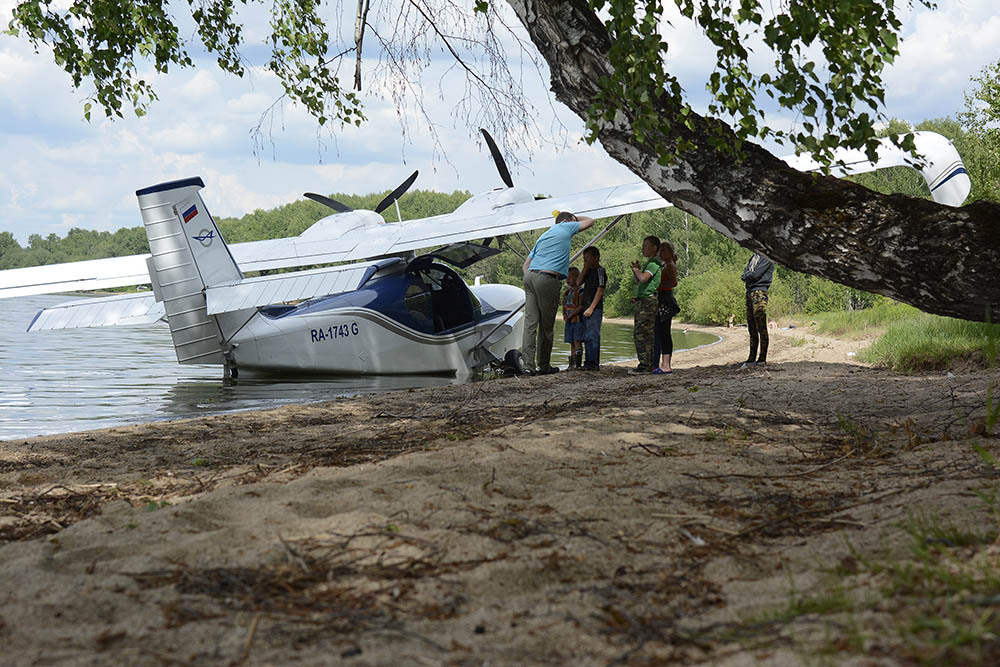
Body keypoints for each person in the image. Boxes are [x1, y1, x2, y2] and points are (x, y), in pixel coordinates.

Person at [521, 211, 594, 374]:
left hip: (530, 277)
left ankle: (527, 367)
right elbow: (590, 221)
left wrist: (530, 275)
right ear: (567, 221)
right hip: (547, 279)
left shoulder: (544, 236)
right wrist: (575, 217)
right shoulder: (566, 226)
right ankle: (544, 365)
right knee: (546, 326)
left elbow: (526, 264)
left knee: (530, 325)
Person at [629, 235, 662, 374]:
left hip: (648, 302)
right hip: (644, 300)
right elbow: (641, 283)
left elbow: (643, 278)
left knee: (642, 334)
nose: (643, 248)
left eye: (646, 246)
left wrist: (637, 270)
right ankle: (648, 363)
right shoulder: (651, 263)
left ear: (654, 248)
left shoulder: (653, 263)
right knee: (645, 333)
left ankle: (645, 364)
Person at [740, 252, 774, 368]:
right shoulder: (754, 257)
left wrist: (746, 276)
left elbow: (755, 274)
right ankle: (751, 358)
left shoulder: (766, 257)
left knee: (761, 327)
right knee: (752, 328)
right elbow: (746, 272)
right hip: (750, 292)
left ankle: (762, 359)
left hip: (760, 292)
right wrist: (747, 275)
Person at [576, 246, 607, 370]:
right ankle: (587, 361)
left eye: (588, 259)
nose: (586, 261)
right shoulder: (588, 271)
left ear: (597, 258)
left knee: (592, 335)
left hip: (594, 308)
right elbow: (578, 283)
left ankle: (593, 363)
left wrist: (592, 308)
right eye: (584, 259)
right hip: (585, 307)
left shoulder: (600, 271)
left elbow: (600, 290)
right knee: (586, 336)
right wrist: (584, 267)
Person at [652, 240, 679, 374]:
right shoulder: (663, 265)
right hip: (661, 298)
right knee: (660, 332)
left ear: (670, 252)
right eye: (660, 251)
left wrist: (657, 283)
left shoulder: (670, 265)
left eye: (664, 250)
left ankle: (666, 365)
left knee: (664, 332)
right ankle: (659, 363)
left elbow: (674, 282)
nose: (661, 253)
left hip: (666, 299)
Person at [561, 267, 584, 369]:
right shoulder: (567, 292)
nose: (568, 279)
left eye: (571, 277)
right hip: (569, 321)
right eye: (567, 277)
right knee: (571, 342)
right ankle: (571, 364)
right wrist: (565, 315)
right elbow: (565, 305)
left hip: (578, 321)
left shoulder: (580, 292)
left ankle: (578, 363)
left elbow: (581, 306)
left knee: (577, 340)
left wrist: (572, 314)